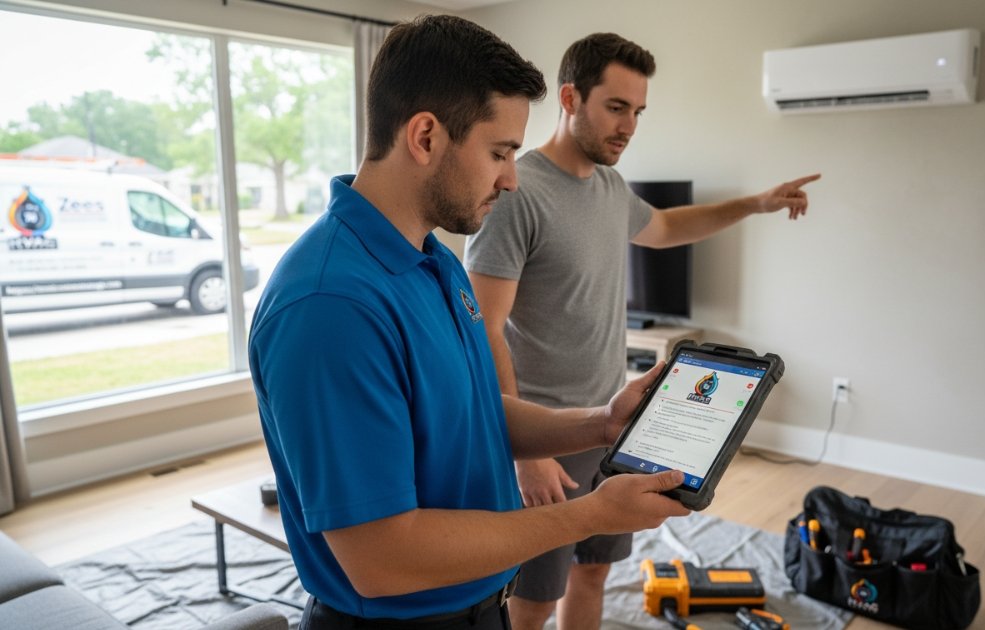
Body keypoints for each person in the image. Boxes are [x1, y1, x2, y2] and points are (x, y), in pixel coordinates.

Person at [248, 16, 690, 630]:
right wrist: (587, 515)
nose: (511, 179)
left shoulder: (436, 261)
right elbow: (382, 560)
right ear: (426, 136)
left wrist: (599, 423)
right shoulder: (330, 307)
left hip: (481, 606)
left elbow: (475, 412)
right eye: (500, 152)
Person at [464, 32, 820, 630]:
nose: (629, 126)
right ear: (572, 98)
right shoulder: (518, 194)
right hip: (545, 434)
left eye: (638, 112)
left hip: (613, 423)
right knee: (532, 600)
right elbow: (485, 330)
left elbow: (665, 227)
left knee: (596, 570)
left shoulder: (608, 186)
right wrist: (527, 454)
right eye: (616, 107)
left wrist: (755, 204)